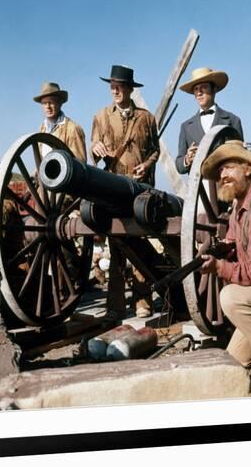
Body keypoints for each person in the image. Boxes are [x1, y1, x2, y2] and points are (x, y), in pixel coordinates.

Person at [200, 140, 251, 369]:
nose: (223, 175)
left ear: (248, 169)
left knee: (230, 296)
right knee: (233, 365)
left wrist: (218, 267)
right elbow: (234, 242)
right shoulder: (237, 209)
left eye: (230, 167)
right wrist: (222, 248)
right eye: (221, 170)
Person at [91, 65, 160, 318]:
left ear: (131, 89)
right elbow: (94, 151)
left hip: (140, 190)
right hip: (112, 188)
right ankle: (115, 304)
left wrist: (147, 165)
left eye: (119, 86)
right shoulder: (100, 117)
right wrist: (96, 147)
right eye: (112, 86)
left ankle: (143, 301)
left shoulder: (147, 118)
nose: (115, 90)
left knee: (139, 243)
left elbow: (155, 150)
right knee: (116, 241)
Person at [175, 67, 243, 174]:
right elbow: (179, 166)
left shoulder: (233, 120)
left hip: (225, 185)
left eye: (204, 87)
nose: (199, 93)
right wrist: (187, 159)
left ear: (214, 89)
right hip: (199, 188)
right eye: (196, 89)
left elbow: (241, 158)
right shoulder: (185, 126)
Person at [34, 81, 87, 161]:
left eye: (51, 102)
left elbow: (80, 163)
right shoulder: (42, 129)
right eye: (44, 103)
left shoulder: (72, 129)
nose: (47, 107)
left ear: (59, 103)